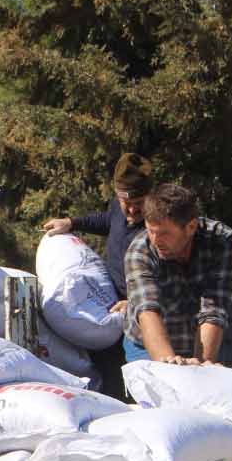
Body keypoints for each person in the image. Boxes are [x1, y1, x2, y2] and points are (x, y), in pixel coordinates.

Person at [42, 153, 153, 397]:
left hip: (141, 312)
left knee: (130, 377)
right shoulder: (118, 210)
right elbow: (106, 221)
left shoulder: (158, 226)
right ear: (118, 197)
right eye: (126, 204)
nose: (132, 210)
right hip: (109, 305)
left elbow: (168, 275)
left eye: (139, 203)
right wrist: (71, 222)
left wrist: (134, 301)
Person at [123, 182, 232, 365]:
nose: (155, 241)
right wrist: (170, 366)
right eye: (150, 231)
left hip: (201, 336)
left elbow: (214, 309)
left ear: (191, 227)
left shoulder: (222, 241)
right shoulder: (139, 251)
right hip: (147, 343)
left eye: (164, 234)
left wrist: (202, 368)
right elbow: (148, 312)